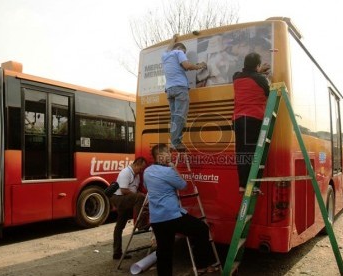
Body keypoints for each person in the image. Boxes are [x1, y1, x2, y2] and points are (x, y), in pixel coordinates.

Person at [143, 143, 217, 276]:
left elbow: (146, 186)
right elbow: (183, 185)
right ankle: (202, 265)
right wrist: (173, 168)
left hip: (156, 219)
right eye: (168, 153)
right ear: (160, 156)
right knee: (202, 229)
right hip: (172, 216)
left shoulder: (147, 171)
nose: (171, 155)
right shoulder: (168, 171)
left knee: (164, 251)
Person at [232, 52, 271, 192]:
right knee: (253, 152)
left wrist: (258, 71)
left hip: (237, 119)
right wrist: (263, 75)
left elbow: (249, 75)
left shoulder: (236, 77)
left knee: (241, 152)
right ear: (258, 65)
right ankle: (251, 185)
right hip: (253, 119)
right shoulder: (261, 79)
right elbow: (269, 93)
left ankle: (242, 185)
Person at [162, 34, 207, 151]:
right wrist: (200, 66)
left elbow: (169, 48)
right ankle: (175, 143)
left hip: (169, 90)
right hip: (180, 88)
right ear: (180, 50)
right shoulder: (179, 53)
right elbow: (187, 66)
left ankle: (173, 141)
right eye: (184, 52)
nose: (184, 55)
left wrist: (173, 39)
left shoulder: (165, 55)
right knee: (180, 116)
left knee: (174, 117)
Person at [110, 157, 147, 260]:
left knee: (120, 225)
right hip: (119, 198)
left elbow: (135, 190)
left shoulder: (137, 175)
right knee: (140, 197)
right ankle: (140, 224)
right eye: (141, 168)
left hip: (126, 199)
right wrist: (139, 196)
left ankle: (117, 253)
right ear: (136, 164)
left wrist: (142, 195)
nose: (141, 171)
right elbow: (123, 190)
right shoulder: (125, 172)